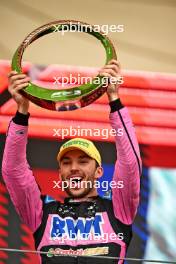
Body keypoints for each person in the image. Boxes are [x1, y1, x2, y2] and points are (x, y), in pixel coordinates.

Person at [2, 60, 142, 264]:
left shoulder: (119, 209)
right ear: (60, 174)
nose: (74, 168)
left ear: (98, 172)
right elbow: (13, 171)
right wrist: (22, 111)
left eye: (83, 161)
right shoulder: (41, 214)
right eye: (66, 162)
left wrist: (114, 98)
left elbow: (129, 164)